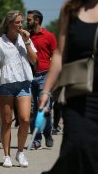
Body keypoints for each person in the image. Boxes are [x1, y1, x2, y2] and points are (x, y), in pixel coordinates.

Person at [40, 0, 98, 173]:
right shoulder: (70, 9)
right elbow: (59, 54)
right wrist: (46, 90)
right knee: (77, 145)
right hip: (77, 93)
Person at [0, 10, 37, 168]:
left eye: (21, 22)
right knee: (7, 121)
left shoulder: (25, 40)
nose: (20, 25)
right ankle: (7, 155)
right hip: (5, 84)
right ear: (9, 24)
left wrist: (28, 42)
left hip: (23, 83)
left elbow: (34, 60)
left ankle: (20, 152)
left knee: (24, 119)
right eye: (17, 22)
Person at [26, 10, 56, 149]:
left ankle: (47, 132)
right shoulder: (25, 36)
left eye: (29, 19)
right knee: (32, 110)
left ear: (37, 20)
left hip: (45, 75)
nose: (27, 22)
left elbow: (55, 57)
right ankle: (36, 139)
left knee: (44, 108)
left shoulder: (49, 36)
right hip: (29, 76)